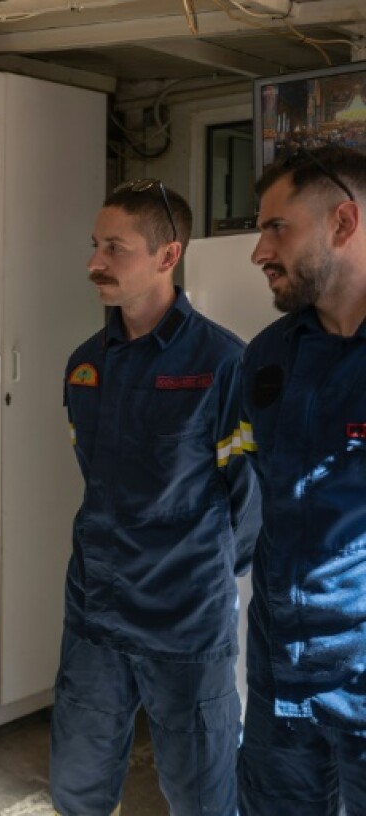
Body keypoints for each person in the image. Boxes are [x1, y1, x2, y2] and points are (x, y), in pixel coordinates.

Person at [52, 181, 259, 816]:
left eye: (116, 247)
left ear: (168, 256)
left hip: (185, 619)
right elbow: (96, 475)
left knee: (202, 789)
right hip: (96, 611)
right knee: (78, 786)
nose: (95, 262)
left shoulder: (222, 363)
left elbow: (248, 499)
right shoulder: (85, 364)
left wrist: (206, 574)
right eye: (95, 245)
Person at [237, 145, 366, 815]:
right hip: (280, 665)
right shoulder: (269, 359)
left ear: (343, 223)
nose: (259, 251)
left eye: (276, 228)